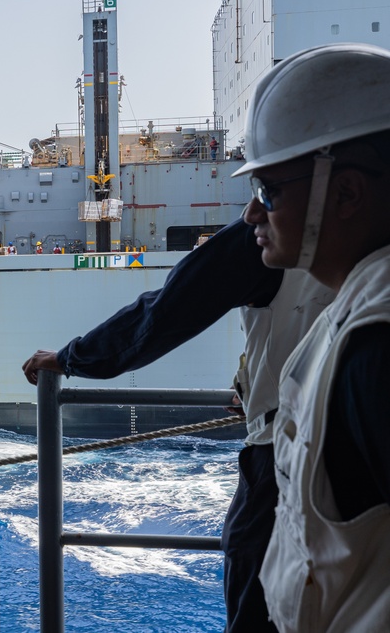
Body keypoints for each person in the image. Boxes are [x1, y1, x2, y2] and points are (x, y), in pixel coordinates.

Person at [22, 210, 334, 632]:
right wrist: (257, 386)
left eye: (269, 186)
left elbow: (166, 312)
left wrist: (69, 357)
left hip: (287, 464)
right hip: (348, 449)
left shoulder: (271, 230)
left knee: (260, 606)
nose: (252, 211)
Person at [235, 43, 390, 632]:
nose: (252, 215)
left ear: (347, 193)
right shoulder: (348, 311)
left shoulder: (376, 347)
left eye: (268, 190)